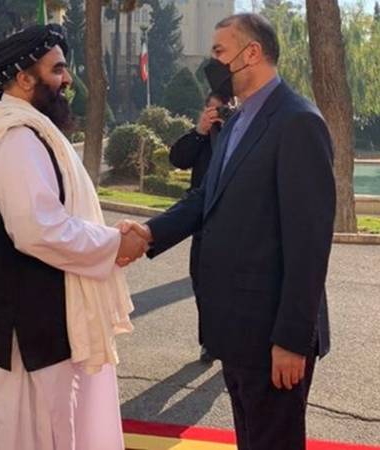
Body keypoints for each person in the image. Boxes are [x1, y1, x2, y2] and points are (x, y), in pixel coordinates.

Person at [0, 24, 147, 450]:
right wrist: (114, 245)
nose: (67, 79)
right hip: (19, 339)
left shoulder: (9, 127)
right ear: (23, 77)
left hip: (19, 329)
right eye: (57, 69)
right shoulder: (14, 138)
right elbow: (38, 229)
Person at [121, 13, 336, 450]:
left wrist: (292, 340)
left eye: (220, 52)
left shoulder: (298, 121)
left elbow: (309, 246)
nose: (213, 63)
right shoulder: (236, 121)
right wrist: (148, 232)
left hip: (273, 334)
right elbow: (206, 196)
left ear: (251, 53)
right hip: (236, 328)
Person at [169, 92, 232, 364]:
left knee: (234, 286)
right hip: (204, 224)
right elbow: (178, 159)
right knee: (202, 283)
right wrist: (200, 131)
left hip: (235, 224)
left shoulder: (242, 135)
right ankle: (210, 341)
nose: (217, 114)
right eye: (212, 109)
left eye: (223, 109)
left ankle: (234, 341)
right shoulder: (201, 138)